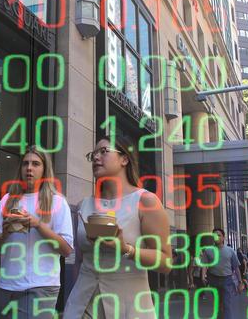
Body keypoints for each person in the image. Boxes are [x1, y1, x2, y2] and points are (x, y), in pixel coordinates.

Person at [64, 136, 172, 318]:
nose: (96, 157)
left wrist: (126, 249)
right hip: (82, 304)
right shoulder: (85, 205)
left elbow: (166, 263)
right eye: (93, 154)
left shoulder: (146, 201)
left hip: (129, 306)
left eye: (104, 151)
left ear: (124, 159)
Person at [0, 146, 74, 319]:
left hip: (40, 286)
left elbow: (66, 249)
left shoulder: (57, 202)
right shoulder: (7, 200)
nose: (29, 168)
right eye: (25, 164)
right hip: (6, 285)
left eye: (36, 164)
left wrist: (38, 224)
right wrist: (5, 234)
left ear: (44, 170)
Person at [201, 228, 243, 319]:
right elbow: (204, 264)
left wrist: (240, 281)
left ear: (223, 237)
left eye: (219, 235)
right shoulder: (208, 250)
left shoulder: (230, 251)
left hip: (227, 280)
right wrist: (203, 276)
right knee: (218, 304)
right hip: (213, 279)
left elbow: (236, 267)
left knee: (226, 304)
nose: (217, 237)